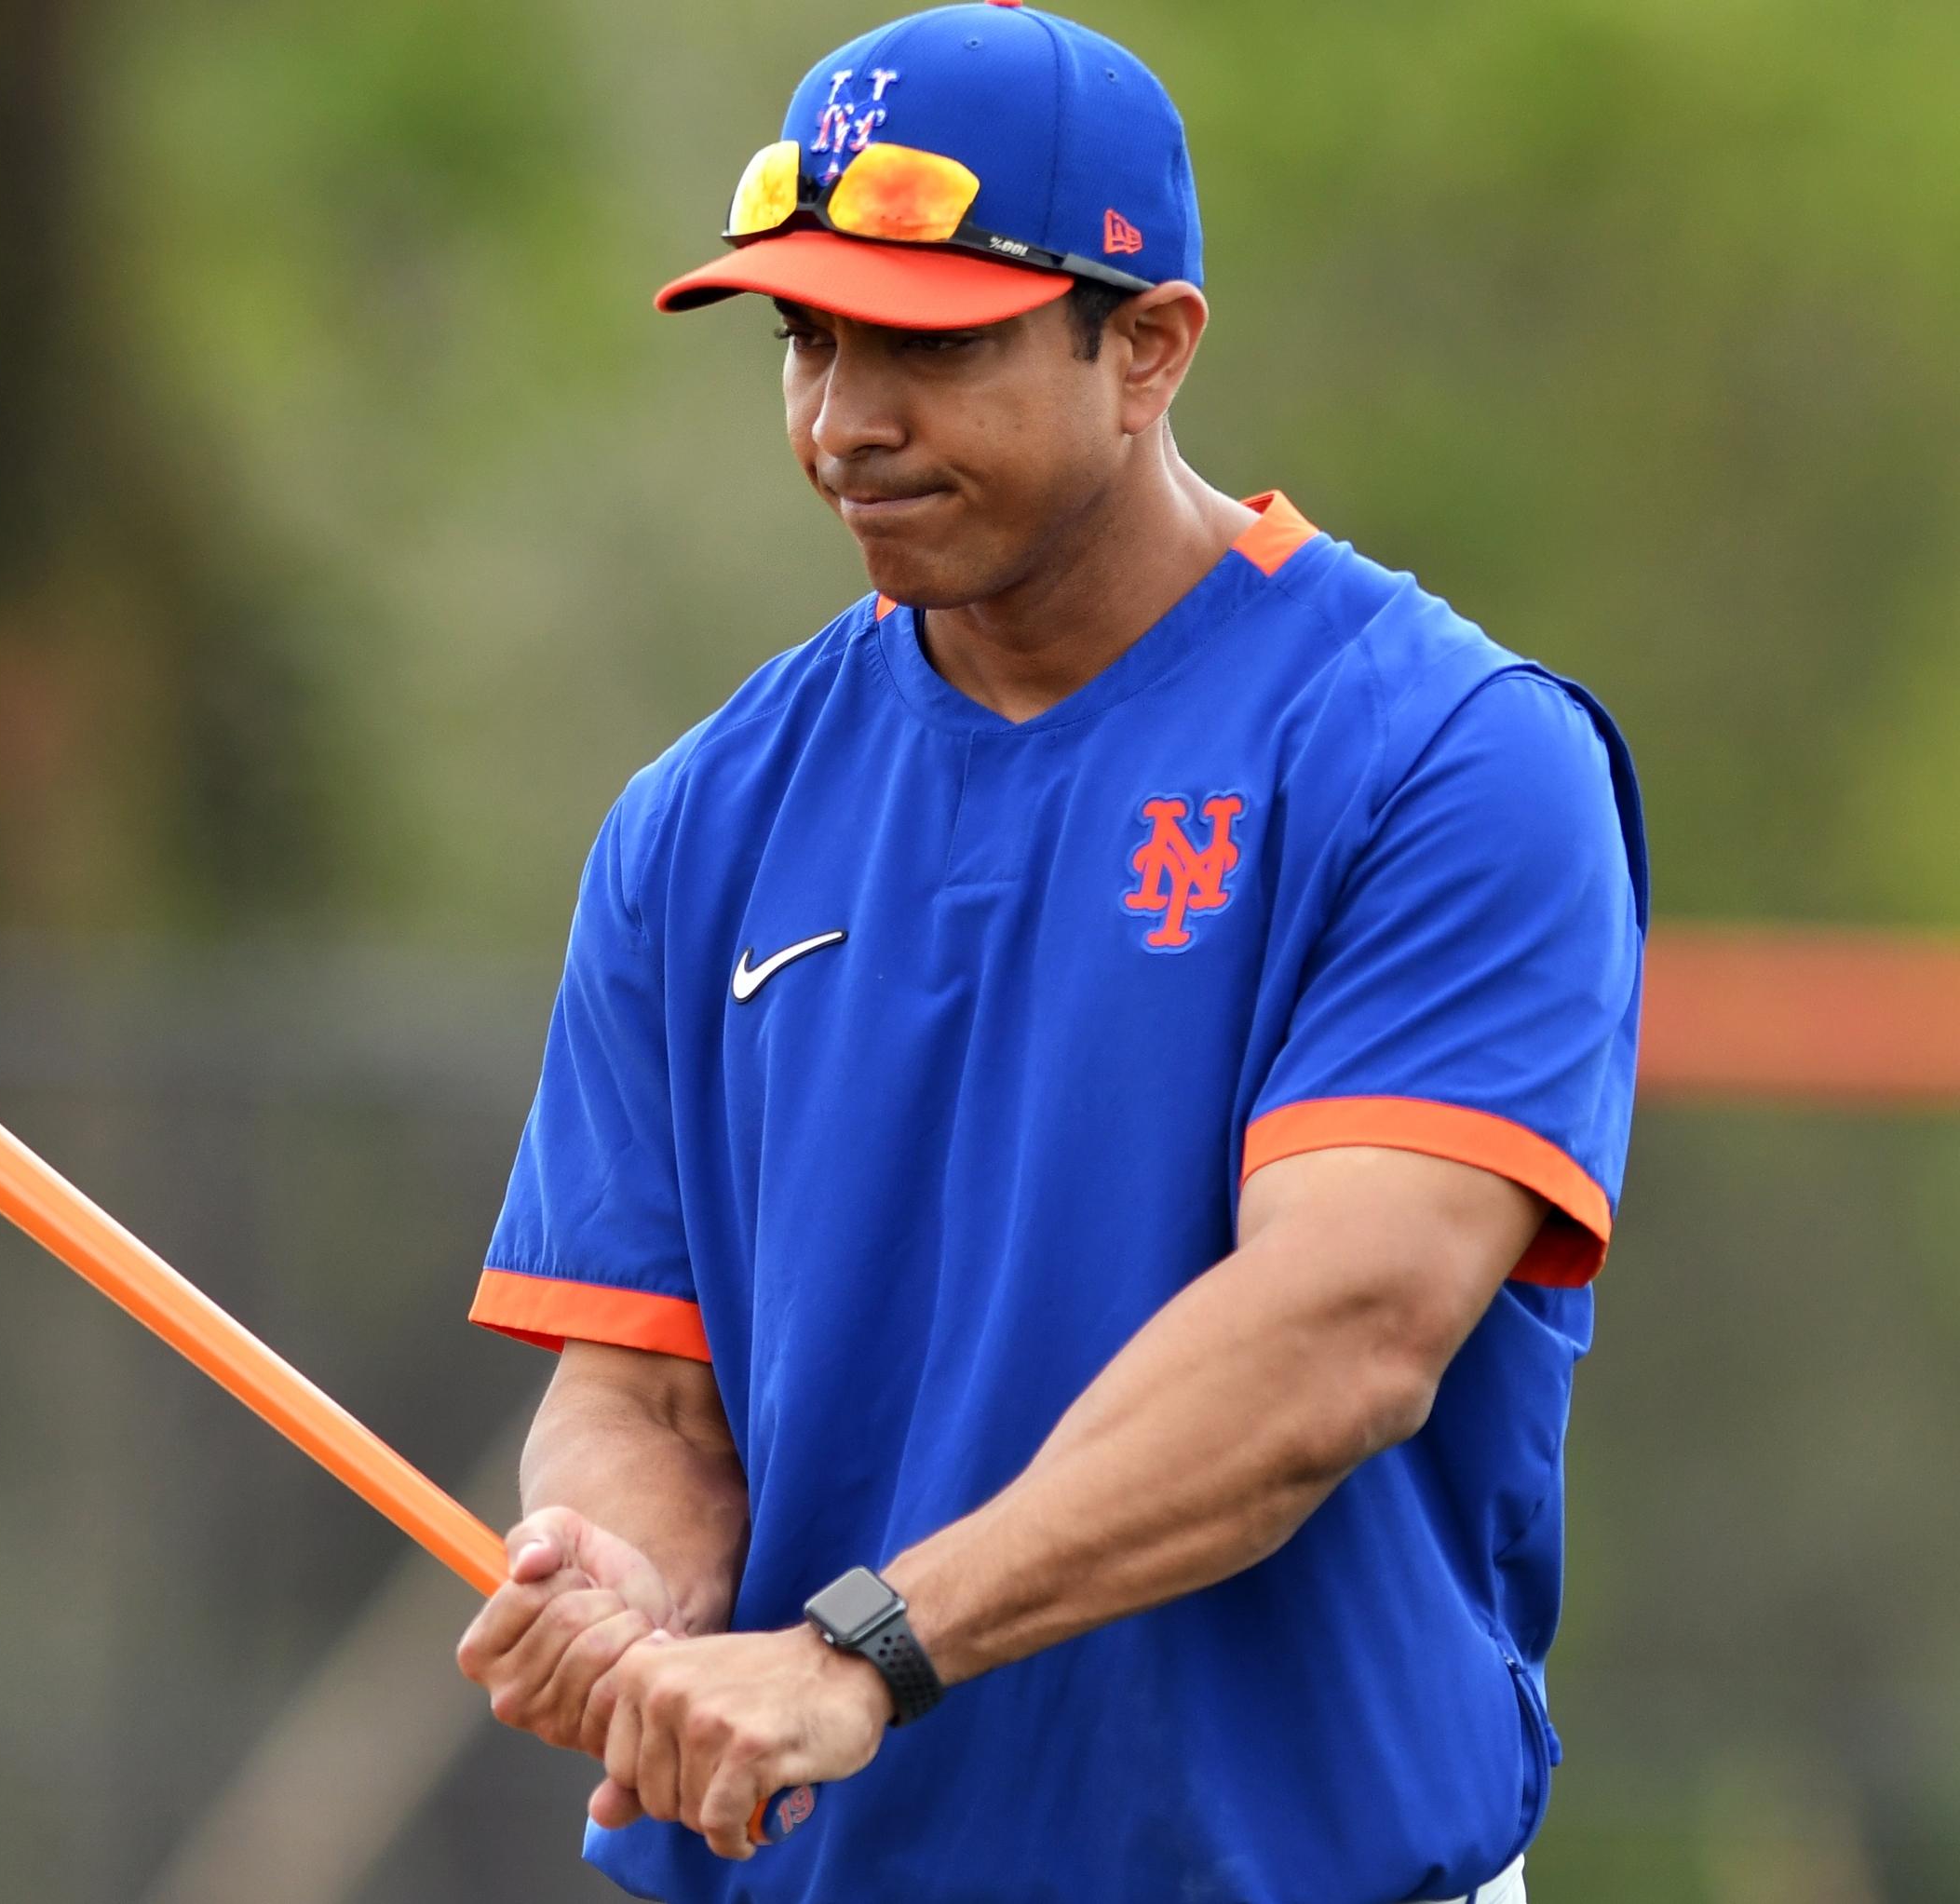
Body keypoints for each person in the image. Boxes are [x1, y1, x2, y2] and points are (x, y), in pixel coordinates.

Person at [452, 6, 1646, 1902]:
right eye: (808, 339)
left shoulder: (1445, 754)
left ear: (1148, 347)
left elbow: (1339, 1337)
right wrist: (620, 1563)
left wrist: (863, 1653)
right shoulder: (700, 818)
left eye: (927, 342)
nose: (844, 420)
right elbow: (647, 1396)